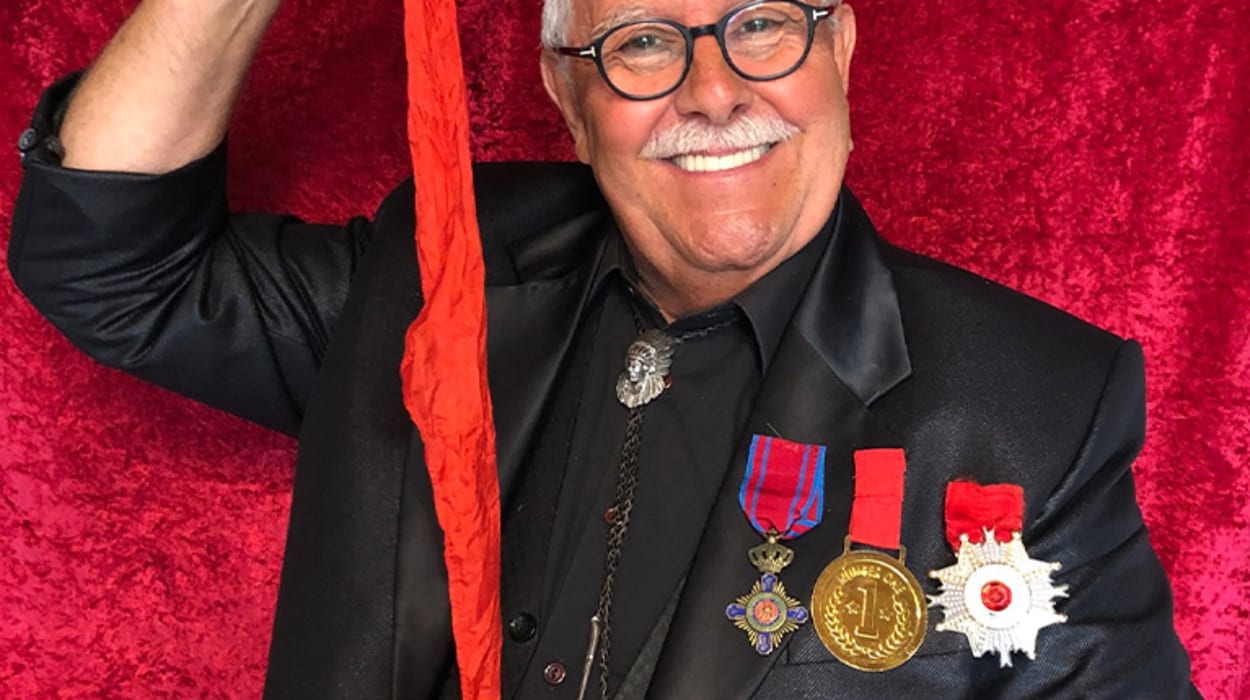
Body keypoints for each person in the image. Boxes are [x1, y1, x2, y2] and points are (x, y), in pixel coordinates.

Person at [7, 0, 1198, 697]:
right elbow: (112, 266)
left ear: (837, 48)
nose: (713, 90)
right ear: (563, 93)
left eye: (759, 25)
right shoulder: (438, 266)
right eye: (638, 42)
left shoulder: (1033, 404)